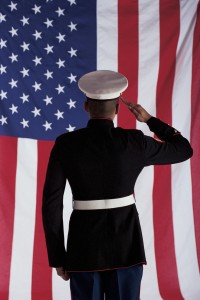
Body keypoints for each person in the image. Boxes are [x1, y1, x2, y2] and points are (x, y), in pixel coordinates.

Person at [42, 70, 193, 300]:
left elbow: (51, 204)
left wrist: (58, 256)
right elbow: (183, 149)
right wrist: (150, 121)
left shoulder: (66, 144)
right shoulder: (135, 142)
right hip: (126, 246)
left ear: (85, 107)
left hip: (84, 248)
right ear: (118, 109)